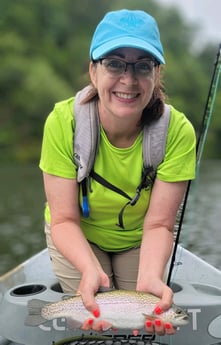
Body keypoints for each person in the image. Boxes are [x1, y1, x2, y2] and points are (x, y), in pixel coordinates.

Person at [39, 9, 196, 336]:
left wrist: (151, 278)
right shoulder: (61, 122)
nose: (129, 79)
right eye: (114, 63)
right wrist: (87, 268)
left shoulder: (178, 132)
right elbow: (64, 219)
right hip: (77, 233)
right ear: (93, 71)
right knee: (96, 323)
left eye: (143, 66)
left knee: (136, 325)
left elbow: (159, 223)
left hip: (140, 238)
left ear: (156, 75)